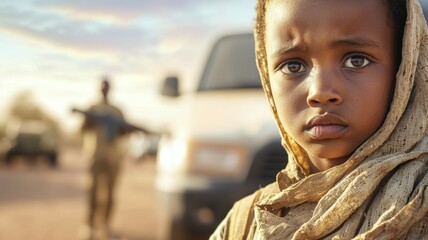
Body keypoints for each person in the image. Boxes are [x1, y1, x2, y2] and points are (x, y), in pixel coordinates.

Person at [210, 0, 427, 239]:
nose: (320, 91)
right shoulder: (244, 225)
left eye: (356, 61)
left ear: (405, 65)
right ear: (265, 70)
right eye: (293, 66)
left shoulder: (418, 204)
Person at [79, 77, 130, 240]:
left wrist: (119, 127)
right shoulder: (92, 108)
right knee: (92, 191)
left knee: (110, 193)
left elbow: (125, 131)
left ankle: (105, 224)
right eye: (102, 86)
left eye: (106, 86)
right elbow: (83, 129)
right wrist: (90, 120)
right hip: (95, 155)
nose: (104, 89)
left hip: (114, 157)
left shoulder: (117, 110)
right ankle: (89, 225)